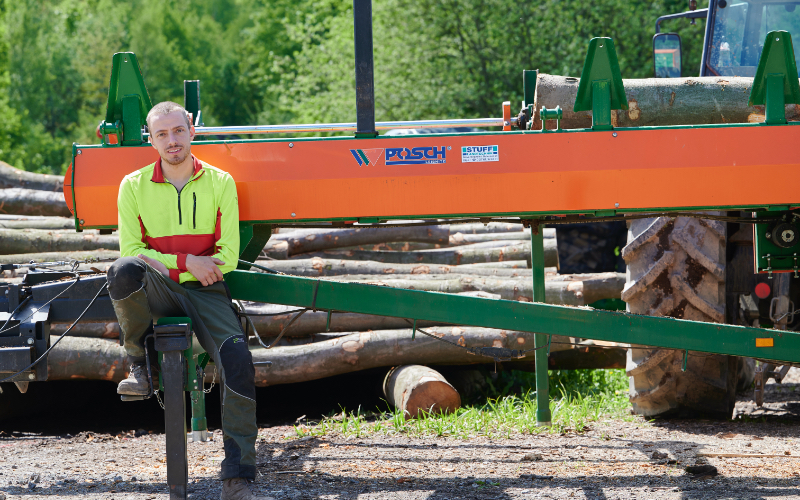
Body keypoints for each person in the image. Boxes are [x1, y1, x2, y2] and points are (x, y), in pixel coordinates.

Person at [107, 101, 271, 500]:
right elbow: (132, 250)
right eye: (161, 134)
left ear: (191, 131)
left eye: (178, 131)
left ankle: (237, 476)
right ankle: (139, 363)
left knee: (236, 358)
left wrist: (187, 267)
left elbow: (228, 256)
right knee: (122, 270)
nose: (171, 140)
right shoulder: (132, 185)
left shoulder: (220, 182)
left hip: (208, 291)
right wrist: (188, 262)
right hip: (161, 291)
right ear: (151, 139)